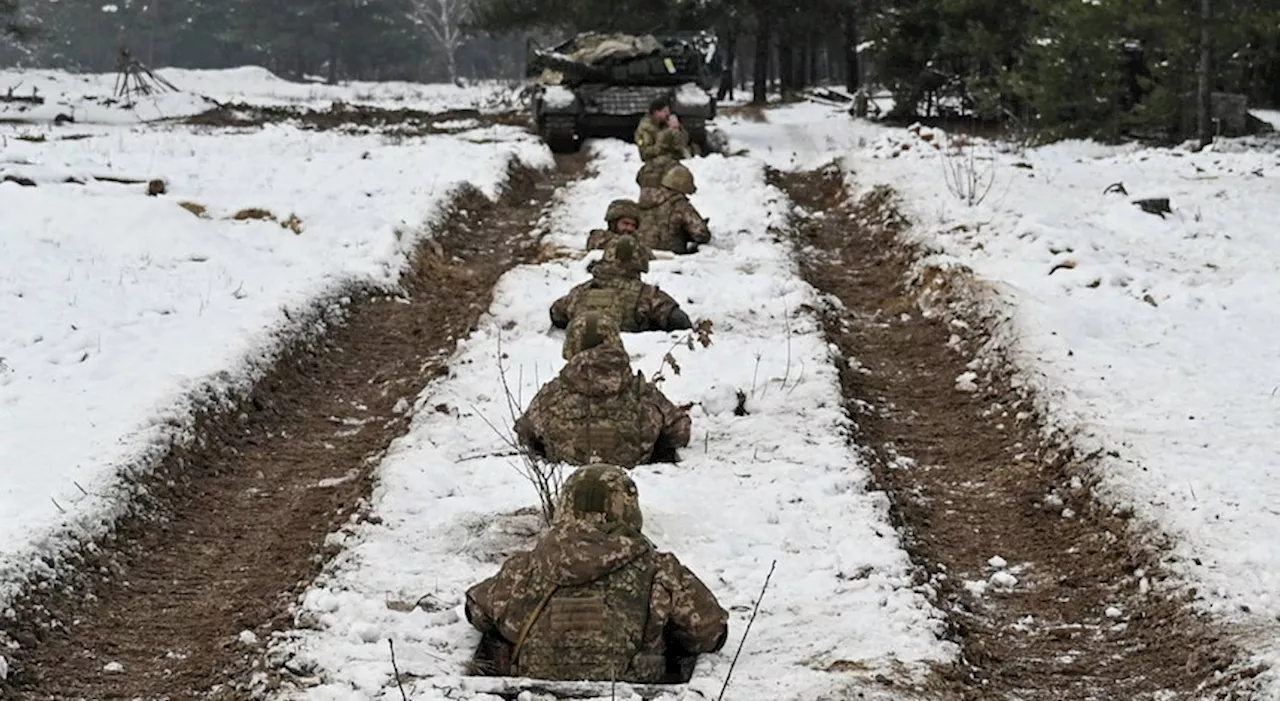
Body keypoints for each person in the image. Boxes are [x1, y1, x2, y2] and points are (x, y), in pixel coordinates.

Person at [464, 464, 729, 683]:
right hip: (631, 691)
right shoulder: (660, 570)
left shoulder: (525, 567)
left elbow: (477, 611)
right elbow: (710, 632)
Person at [515, 313, 691, 468]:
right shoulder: (643, 392)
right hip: (636, 484)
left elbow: (525, 433)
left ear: (571, 346)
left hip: (567, 482)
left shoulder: (551, 394)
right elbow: (680, 432)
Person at [551, 235, 691, 333]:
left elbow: (556, 313)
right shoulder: (647, 295)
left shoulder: (582, 291)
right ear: (639, 262)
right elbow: (679, 320)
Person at [635, 163, 710, 255]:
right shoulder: (680, 205)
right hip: (673, 259)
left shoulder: (642, 204)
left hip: (644, 255)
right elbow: (701, 234)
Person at [634, 95, 691, 162]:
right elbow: (645, 154)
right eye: (665, 111)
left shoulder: (665, 122)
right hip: (655, 163)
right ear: (656, 112)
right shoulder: (645, 128)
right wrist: (664, 137)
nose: (668, 113)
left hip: (672, 159)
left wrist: (678, 129)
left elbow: (683, 143)